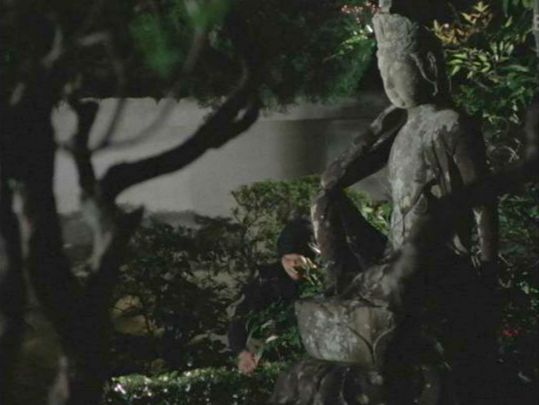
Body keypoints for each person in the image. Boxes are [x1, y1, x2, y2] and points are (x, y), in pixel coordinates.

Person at [227, 218, 315, 374]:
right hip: (270, 358)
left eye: (297, 260)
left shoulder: (323, 282)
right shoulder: (267, 280)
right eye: (287, 259)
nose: (292, 265)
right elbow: (240, 318)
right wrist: (242, 354)